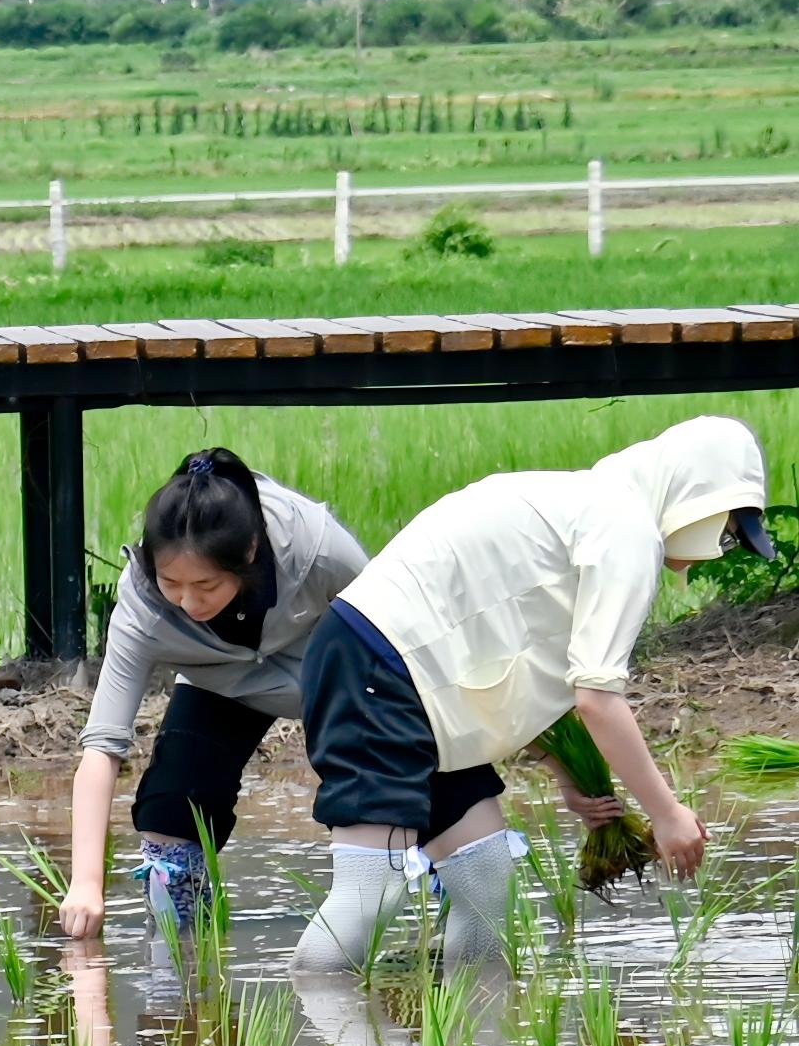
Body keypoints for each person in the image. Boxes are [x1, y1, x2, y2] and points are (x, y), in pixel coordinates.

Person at [294, 416, 770, 972]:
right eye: (729, 533)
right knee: (377, 887)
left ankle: (474, 1045)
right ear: (698, 499)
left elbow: (512, 663)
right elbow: (596, 699)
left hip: (418, 682)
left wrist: (570, 779)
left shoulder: (592, 506)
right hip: (382, 670)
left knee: (484, 878)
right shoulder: (625, 529)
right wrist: (666, 814)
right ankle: (318, 1027)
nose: (721, 550)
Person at [58, 449, 367, 950]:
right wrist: (86, 884)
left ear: (247, 553)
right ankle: (181, 964)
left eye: (206, 585)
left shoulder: (317, 548)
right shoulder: (142, 605)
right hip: (218, 684)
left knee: (402, 784)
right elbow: (102, 747)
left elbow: (391, 631)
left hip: (332, 672)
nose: (188, 603)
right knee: (169, 811)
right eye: (171, 583)